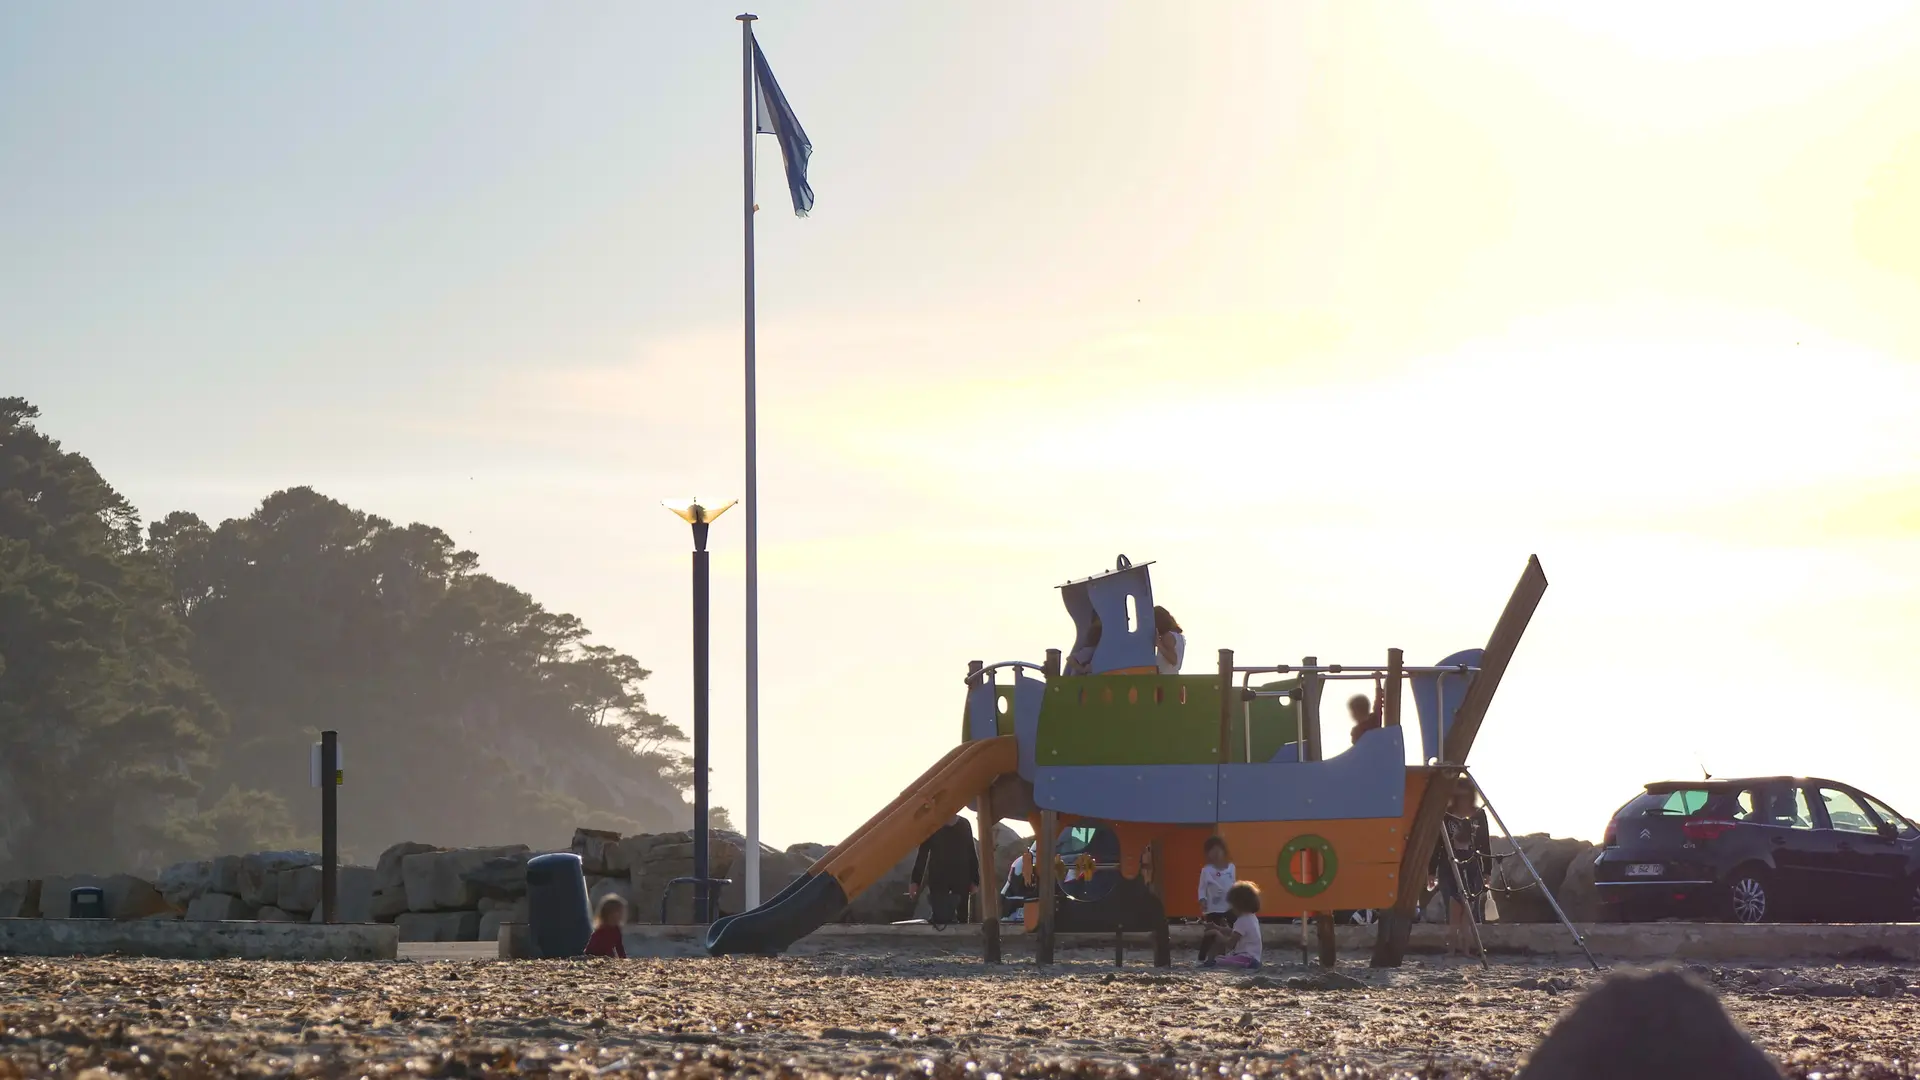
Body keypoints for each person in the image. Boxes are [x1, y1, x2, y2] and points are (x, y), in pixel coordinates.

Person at [1429, 781, 1493, 957]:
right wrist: (1431, 870)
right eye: (1460, 795)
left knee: (1469, 908)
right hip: (1449, 864)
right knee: (1453, 907)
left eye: (1466, 795)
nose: (1463, 800)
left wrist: (1488, 870)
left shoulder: (1478, 814)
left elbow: (1485, 843)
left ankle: (1467, 948)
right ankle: (1451, 948)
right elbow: (1438, 843)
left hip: (1472, 863)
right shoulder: (1447, 814)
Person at [909, 815, 980, 927]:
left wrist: (975, 880)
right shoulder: (932, 825)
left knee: (962, 920)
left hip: (961, 878)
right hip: (938, 878)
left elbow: (971, 852)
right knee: (940, 920)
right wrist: (915, 881)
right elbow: (922, 854)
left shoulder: (964, 824)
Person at [1200, 882, 1263, 969]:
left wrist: (1216, 933)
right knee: (1221, 959)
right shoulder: (1251, 917)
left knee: (1216, 962)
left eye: (1232, 905)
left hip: (1247, 960)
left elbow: (1230, 944)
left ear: (1238, 905)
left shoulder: (1242, 920)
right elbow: (1237, 933)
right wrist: (1217, 927)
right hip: (1254, 960)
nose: (1231, 909)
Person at [1195, 836, 1237, 962]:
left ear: (1224, 851)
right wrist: (1202, 900)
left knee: (1236, 927)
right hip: (1213, 907)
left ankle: (1238, 952)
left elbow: (1234, 884)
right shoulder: (1206, 870)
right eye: (1212, 851)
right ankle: (1201, 958)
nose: (1216, 854)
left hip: (1229, 905)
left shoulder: (1231, 868)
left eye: (1218, 850)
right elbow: (1202, 888)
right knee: (1210, 932)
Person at [1153, 606, 1186, 674]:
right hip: (1173, 676)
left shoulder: (1168, 636)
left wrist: (1158, 644)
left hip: (1165, 678)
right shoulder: (1179, 636)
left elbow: (1173, 660)